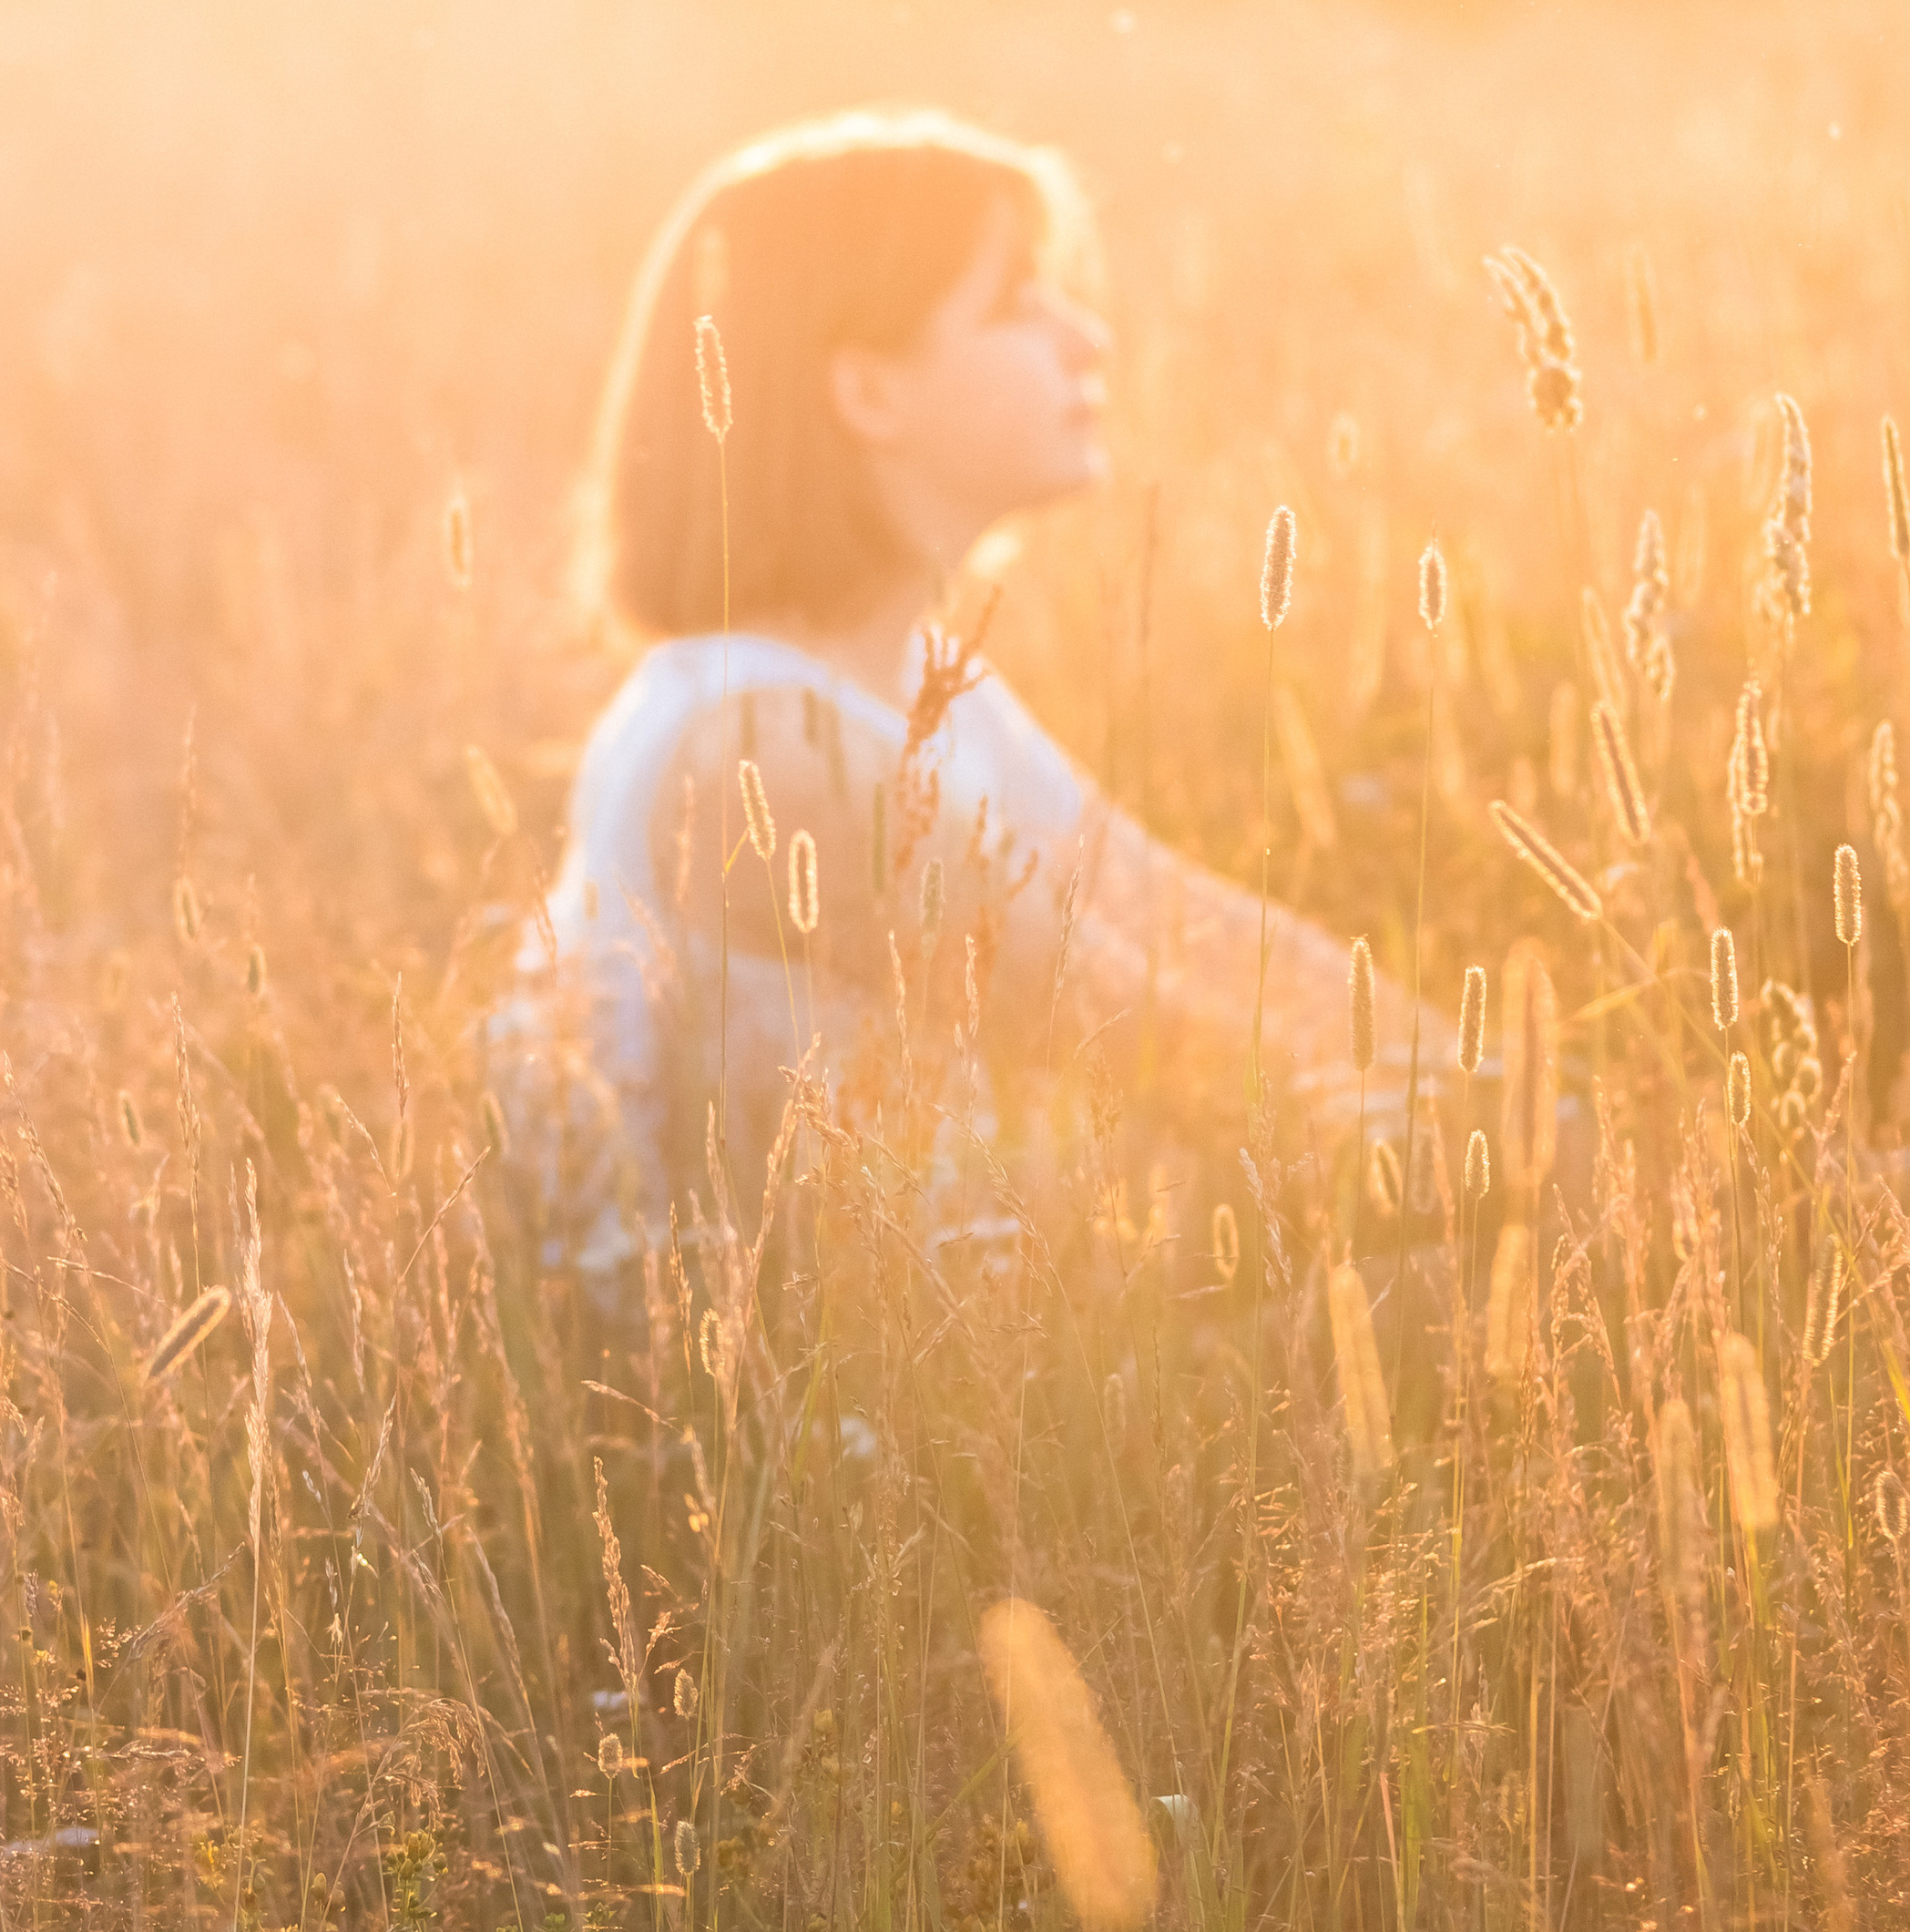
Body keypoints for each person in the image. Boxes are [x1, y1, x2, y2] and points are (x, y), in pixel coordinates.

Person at [538, 107, 1452, 1248]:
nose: (1088, 340)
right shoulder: (763, 758)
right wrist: (1487, 1136)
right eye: (1020, 305)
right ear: (868, 393)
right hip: (772, 1414)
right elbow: (1140, 1037)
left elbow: (1180, 922)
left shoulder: (916, 683)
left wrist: (1475, 1081)